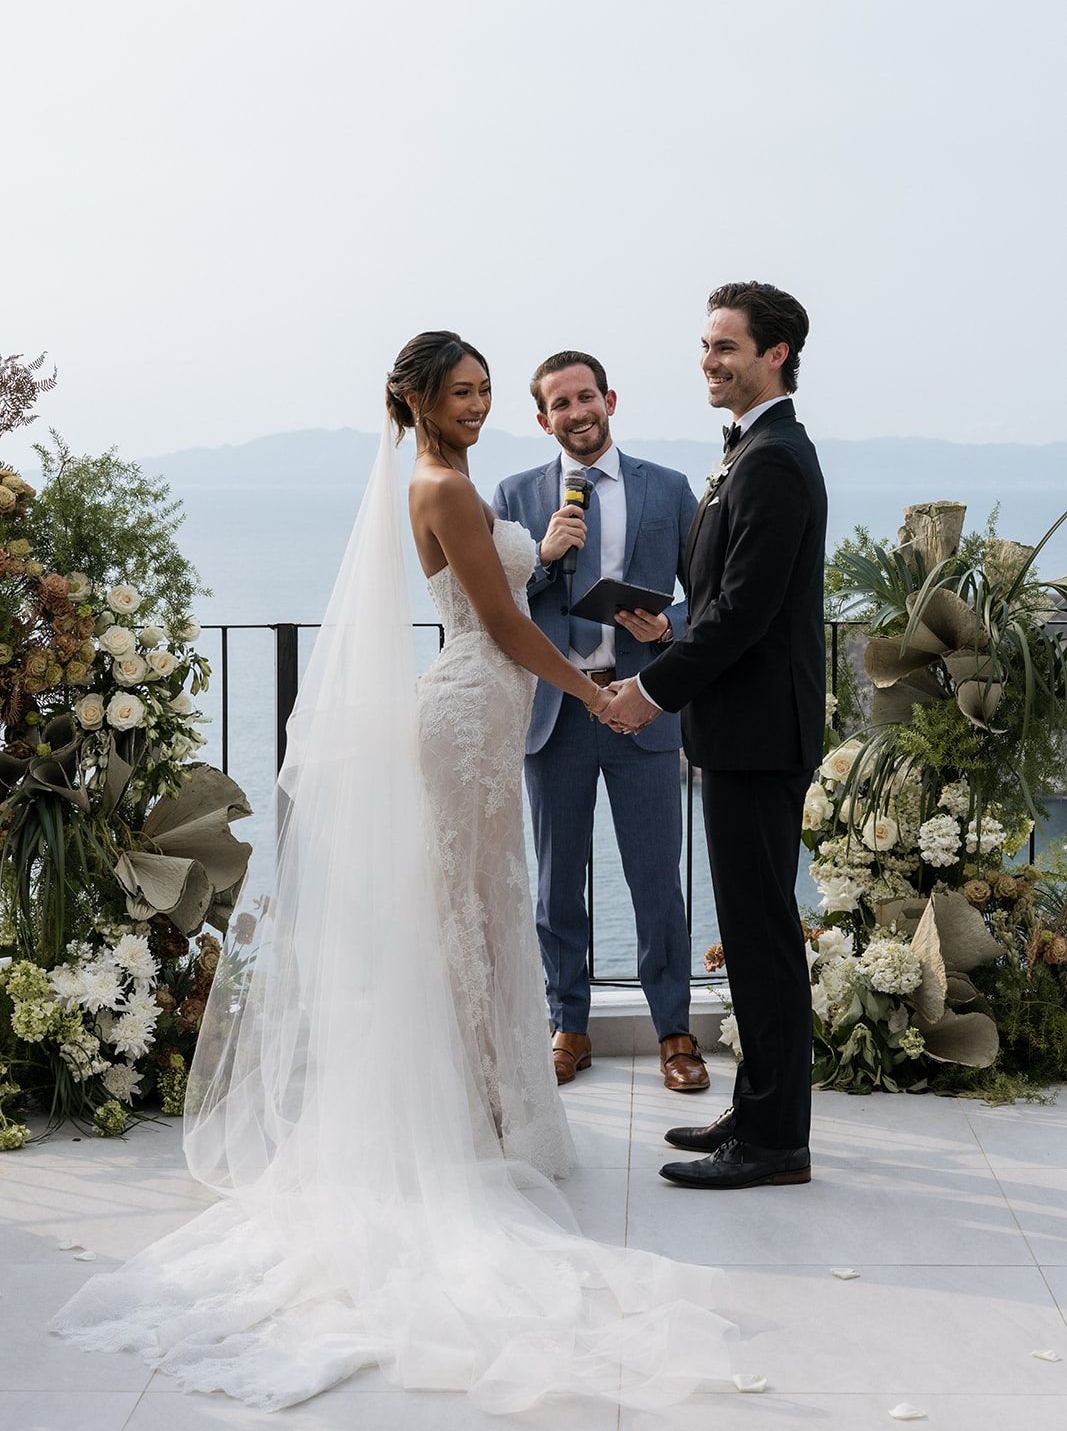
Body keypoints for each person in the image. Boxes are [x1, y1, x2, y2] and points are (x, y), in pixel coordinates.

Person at [52, 331, 732, 1411]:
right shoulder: (443, 486)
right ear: (416, 403)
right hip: (468, 714)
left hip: (482, 715)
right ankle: (470, 1117)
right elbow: (503, 624)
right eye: (460, 393)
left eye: (483, 391)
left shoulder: (455, 478)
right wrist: (597, 689)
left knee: (483, 911)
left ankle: (488, 1103)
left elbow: (512, 599)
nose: (478, 405)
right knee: (470, 912)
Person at [603, 284, 826, 1191]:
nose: (708, 360)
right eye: (705, 345)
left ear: (774, 354)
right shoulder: (749, 451)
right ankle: (758, 1108)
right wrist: (671, 639)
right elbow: (724, 602)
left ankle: (776, 1142)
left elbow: (744, 613)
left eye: (725, 346)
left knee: (762, 935)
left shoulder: (773, 459)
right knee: (747, 926)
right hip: (741, 729)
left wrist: (650, 692)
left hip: (757, 734)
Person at [492, 351, 708, 1092]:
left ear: (608, 400)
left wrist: (666, 628)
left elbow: (705, 596)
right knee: (557, 884)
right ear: (543, 418)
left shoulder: (668, 488)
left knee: (655, 881)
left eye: (587, 397)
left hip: (639, 706)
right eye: (561, 403)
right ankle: (568, 1027)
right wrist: (545, 559)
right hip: (556, 709)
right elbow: (495, 605)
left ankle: (674, 1034)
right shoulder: (514, 495)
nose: (577, 412)